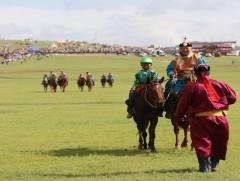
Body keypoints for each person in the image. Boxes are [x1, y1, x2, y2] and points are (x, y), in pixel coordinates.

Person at [173, 64, 237, 173]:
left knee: (202, 142)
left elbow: (183, 104)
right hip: (220, 119)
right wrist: (220, 104)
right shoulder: (220, 84)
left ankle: (204, 168)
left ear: (195, 73)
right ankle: (213, 165)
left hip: (200, 120)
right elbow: (233, 98)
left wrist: (178, 116)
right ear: (209, 72)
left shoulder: (191, 87)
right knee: (219, 142)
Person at [164, 38, 208, 118]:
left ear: (190, 49)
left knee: (207, 92)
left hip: (195, 79)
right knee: (173, 93)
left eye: (186, 48)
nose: (184, 50)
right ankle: (169, 110)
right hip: (181, 80)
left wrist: (201, 71)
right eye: (182, 48)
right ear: (179, 49)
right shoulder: (176, 59)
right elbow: (169, 69)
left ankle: (209, 110)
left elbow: (206, 66)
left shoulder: (198, 57)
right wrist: (171, 74)